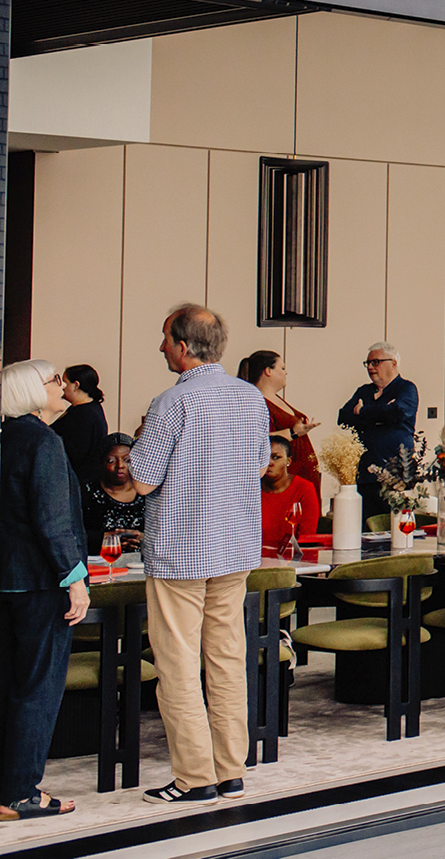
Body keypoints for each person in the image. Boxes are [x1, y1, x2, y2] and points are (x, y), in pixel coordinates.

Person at [128, 304, 270, 804]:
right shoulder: (252, 399)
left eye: (165, 339)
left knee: (179, 666)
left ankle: (195, 778)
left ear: (184, 348)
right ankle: (232, 770)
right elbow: (257, 469)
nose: (161, 347)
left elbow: (143, 481)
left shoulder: (173, 403)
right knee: (228, 660)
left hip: (180, 552)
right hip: (233, 547)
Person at [0, 359, 89, 820]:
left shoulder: (5, 438)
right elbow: (54, 524)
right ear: (31, 392)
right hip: (40, 582)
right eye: (54, 380)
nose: (63, 386)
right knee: (37, 688)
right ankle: (19, 793)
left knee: (10, 683)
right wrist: (75, 580)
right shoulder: (43, 442)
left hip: (7, 582)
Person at [336, 343, 418, 520]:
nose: (371, 368)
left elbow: (398, 412)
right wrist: (382, 414)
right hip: (365, 474)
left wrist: (363, 412)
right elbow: (343, 417)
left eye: (376, 362)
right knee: (365, 527)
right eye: (368, 364)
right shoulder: (364, 391)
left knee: (393, 527)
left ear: (394, 363)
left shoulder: (406, 388)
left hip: (395, 474)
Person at [238, 351, 322, 498]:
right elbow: (259, 438)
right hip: (285, 481)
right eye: (282, 368)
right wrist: (292, 433)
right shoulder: (257, 402)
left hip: (303, 476)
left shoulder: (276, 399)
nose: (286, 372)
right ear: (268, 371)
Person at [80, 433, 146, 558]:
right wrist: (106, 540)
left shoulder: (147, 493)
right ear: (102, 462)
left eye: (127, 460)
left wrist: (142, 538)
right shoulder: (86, 492)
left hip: (143, 566)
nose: (120, 465)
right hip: (99, 565)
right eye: (111, 460)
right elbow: (73, 534)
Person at [259, 438, 318, 553]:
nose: (269, 463)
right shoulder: (250, 489)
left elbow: (307, 538)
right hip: (253, 560)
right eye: (263, 458)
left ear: (288, 461)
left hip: (293, 560)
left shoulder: (304, 489)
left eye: (276, 457)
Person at [51, 365, 106, 481]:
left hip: (78, 480)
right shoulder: (89, 408)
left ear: (76, 385)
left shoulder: (83, 415)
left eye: (65, 382)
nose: (61, 386)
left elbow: (75, 454)